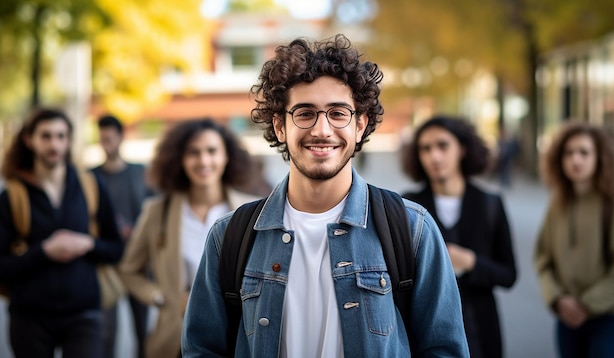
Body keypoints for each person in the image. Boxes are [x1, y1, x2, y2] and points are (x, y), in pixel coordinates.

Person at [182, 34, 469, 357]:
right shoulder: (229, 236)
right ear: (279, 126)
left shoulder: (412, 228)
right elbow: (201, 349)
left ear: (360, 124)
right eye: (305, 113)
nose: (321, 130)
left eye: (337, 113)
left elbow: (444, 349)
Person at [117, 118, 259, 357]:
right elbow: (129, 270)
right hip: (174, 338)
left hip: (236, 336)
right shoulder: (158, 211)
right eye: (194, 152)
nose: (204, 160)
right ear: (180, 159)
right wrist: (163, 297)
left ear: (227, 157)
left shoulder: (249, 212)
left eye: (212, 151)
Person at [0, 107, 124, 358]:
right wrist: (44, 251)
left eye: (60, 136)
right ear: (29, 140)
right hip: (30, 317)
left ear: (69, 140)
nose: (54, 144)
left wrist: (88, 243)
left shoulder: (91, 186)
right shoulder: (12, 196)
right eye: (45, 136)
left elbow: (117, 249)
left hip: (85, 314)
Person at [401, 115, 517, 358]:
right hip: (426, 334)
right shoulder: (408, 206)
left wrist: (472, 263)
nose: (434, 156)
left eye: (443, 146)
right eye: (426, 148)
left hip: (481, 330)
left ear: (462, 149)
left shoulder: (490, 204)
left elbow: (509, 274)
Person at [534, 121, 614, 358]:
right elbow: (543, 258)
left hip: (606, 318)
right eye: (569, 152)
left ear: (599, 157)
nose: (576, 160)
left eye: (584, 152)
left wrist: (586, 305)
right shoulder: (557, 203)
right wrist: (556, 298)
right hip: (566, 318)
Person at [92, 114, 152, 358]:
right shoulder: (91, 176)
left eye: (110, 138)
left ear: (120, 138)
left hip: (138, 263)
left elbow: (154, 211)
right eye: (102, 138)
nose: (106, 143)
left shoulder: (140, 173)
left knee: (143, 330)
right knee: (106, 332)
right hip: (107, 264)